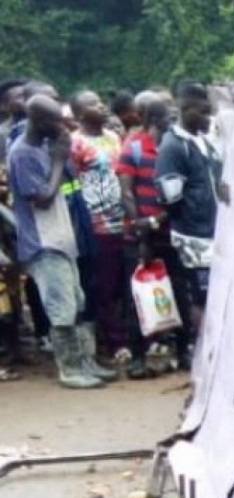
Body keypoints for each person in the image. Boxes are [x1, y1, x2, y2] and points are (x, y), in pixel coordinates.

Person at [7, 95, 112, 388]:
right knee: (61, 307)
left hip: (61, 237)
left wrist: (59, 157)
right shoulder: (22, 153)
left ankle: (85, 361)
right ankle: (70, 369)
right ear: (38, 122)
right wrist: (58, 160)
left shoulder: (43, 146)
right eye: (54, 120)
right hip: (43, 243)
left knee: (77, 302)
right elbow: (41, 198)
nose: (62, 125)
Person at [117, 91, 193, 374]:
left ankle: (183, 351)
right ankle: (138, 358)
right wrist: (141, 226)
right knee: (137, 295)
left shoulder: (176, 148)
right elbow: (125, 191)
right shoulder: (133, 148)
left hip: (171, 233)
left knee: (180, 294)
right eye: (167, 119)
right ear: (152, 120)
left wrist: (161, 220)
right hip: (140, 237)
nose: (172, 123)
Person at [155, 81, 224, 362]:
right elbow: (169, 197)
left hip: (212, 231)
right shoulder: (173, 147)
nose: (209, 117)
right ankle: (202, 350)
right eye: (203, 112)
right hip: (193, 235)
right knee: (200, 294)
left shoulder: (204, 142)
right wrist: (191, 214)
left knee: (214, 292)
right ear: (186, 109)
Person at [69, 89, 133, 373]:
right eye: (93, 104)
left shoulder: (113, 137)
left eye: (100, 100)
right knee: (102, 286)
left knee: (124, 283)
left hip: (122, 219)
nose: (101, 106)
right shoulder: (75, 143)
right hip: (96, 223)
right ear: (80, 114)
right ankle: (114, 343)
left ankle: (128, 337)